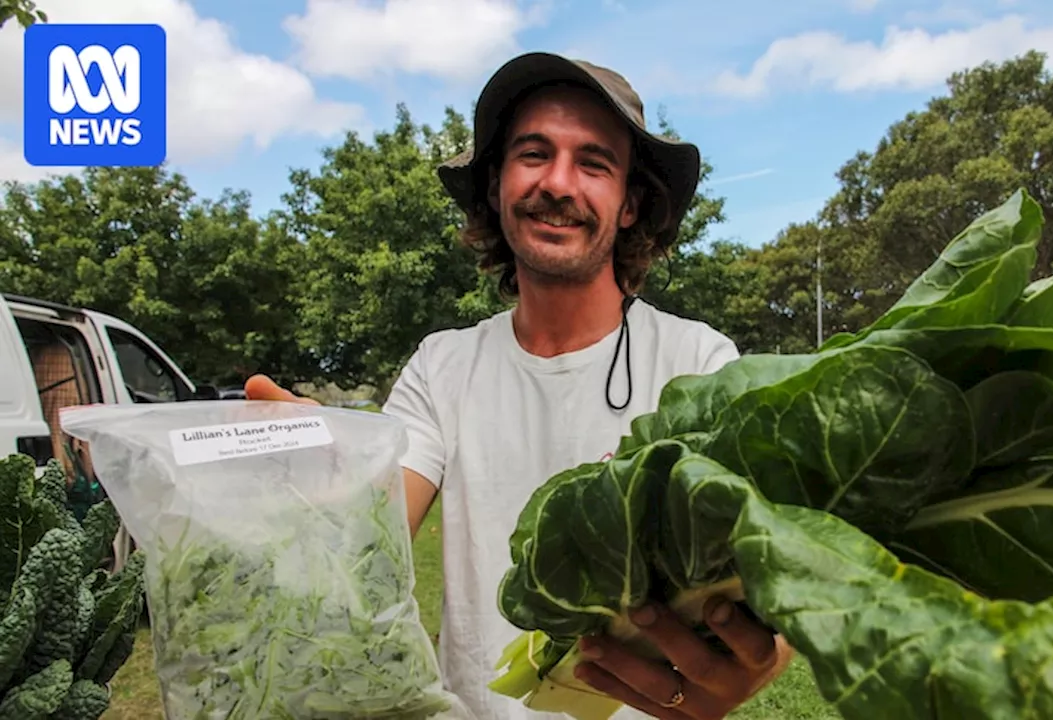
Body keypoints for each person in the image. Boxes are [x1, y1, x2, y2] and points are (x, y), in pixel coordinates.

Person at [245, 51, 792, 720]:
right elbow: (373, 528)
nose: (558, 183)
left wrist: (764, 658)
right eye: (533, 154)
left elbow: (769, 565)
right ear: (498, 185)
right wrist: (323, 472)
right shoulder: (441, 367)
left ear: (630, 206)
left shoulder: (700, 362)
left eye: (594, 163)